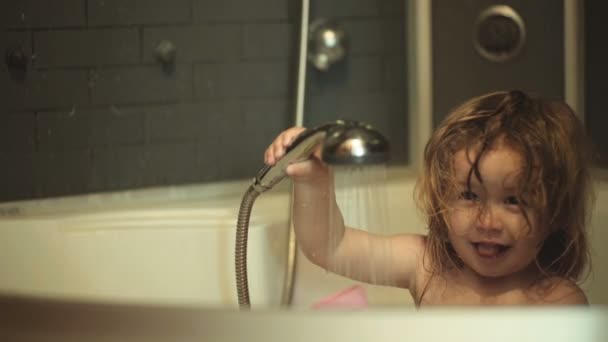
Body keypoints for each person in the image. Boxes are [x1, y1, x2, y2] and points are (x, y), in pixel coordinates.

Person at [264, 90, 594, 306]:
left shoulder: (557, 302)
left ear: (555, 212)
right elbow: (330, 247)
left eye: (513, 201)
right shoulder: (429, 266)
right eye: (468, 195)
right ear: (441, 196)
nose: (487, 222)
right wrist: (313, 181)